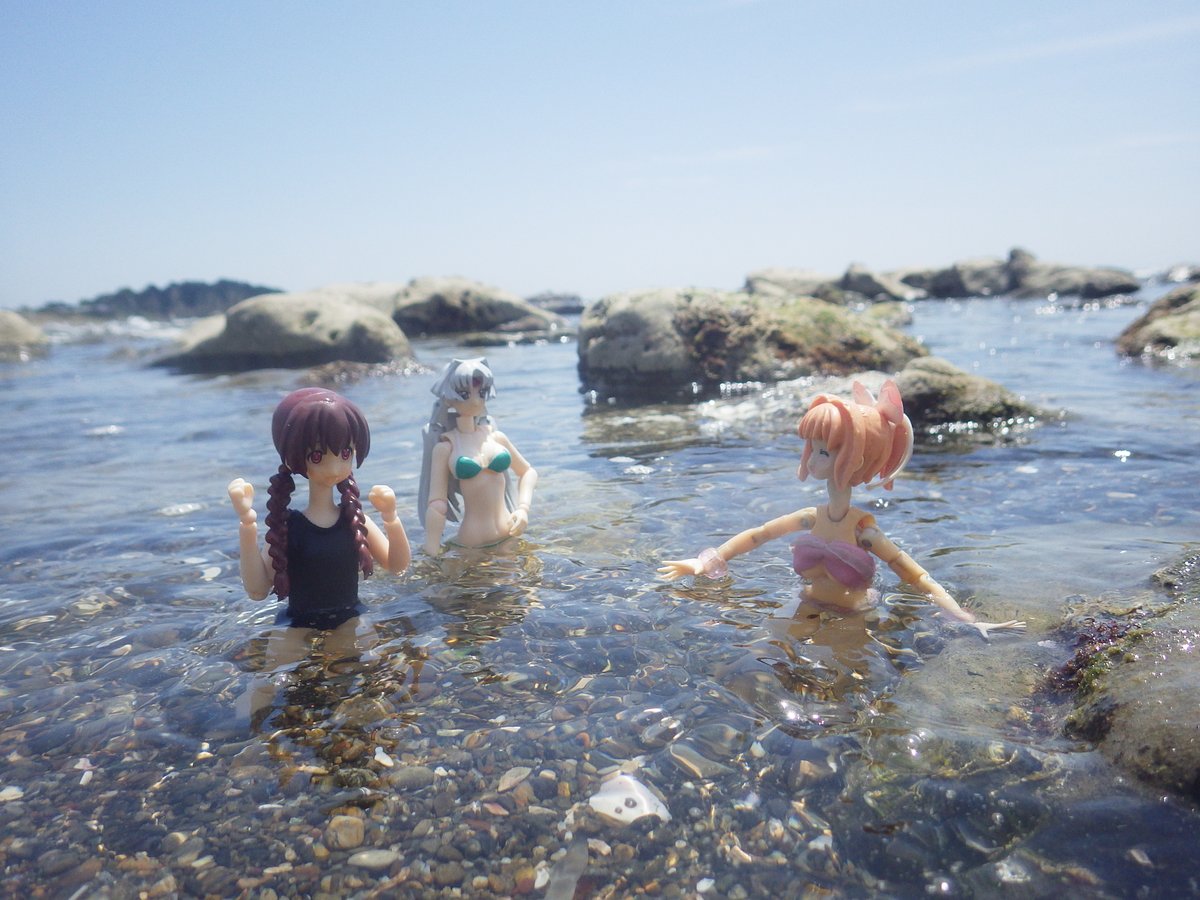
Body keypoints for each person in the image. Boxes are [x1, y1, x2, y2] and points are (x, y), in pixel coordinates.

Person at [659, 380, 1024, 640]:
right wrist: (707, 561)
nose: (811, 458)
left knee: (845, 680)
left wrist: (962, 618)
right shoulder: (811, 517)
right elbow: (758, 536)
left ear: (856, 459)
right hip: (807, 602)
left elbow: (918, 577)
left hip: (854, 614)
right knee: (768, 654)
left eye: (824, 451)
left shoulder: (864, 533)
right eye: (813, 447)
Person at [418, 358, 537, 556]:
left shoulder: (496, 437)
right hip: (472, 542)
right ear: (448, 398)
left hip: (509, 533)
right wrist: (432, 550)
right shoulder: (446, 447)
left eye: (481, 393)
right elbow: (437, 504)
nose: (475, 401)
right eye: (464, 394)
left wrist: (523, 509)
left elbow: (528, 472)